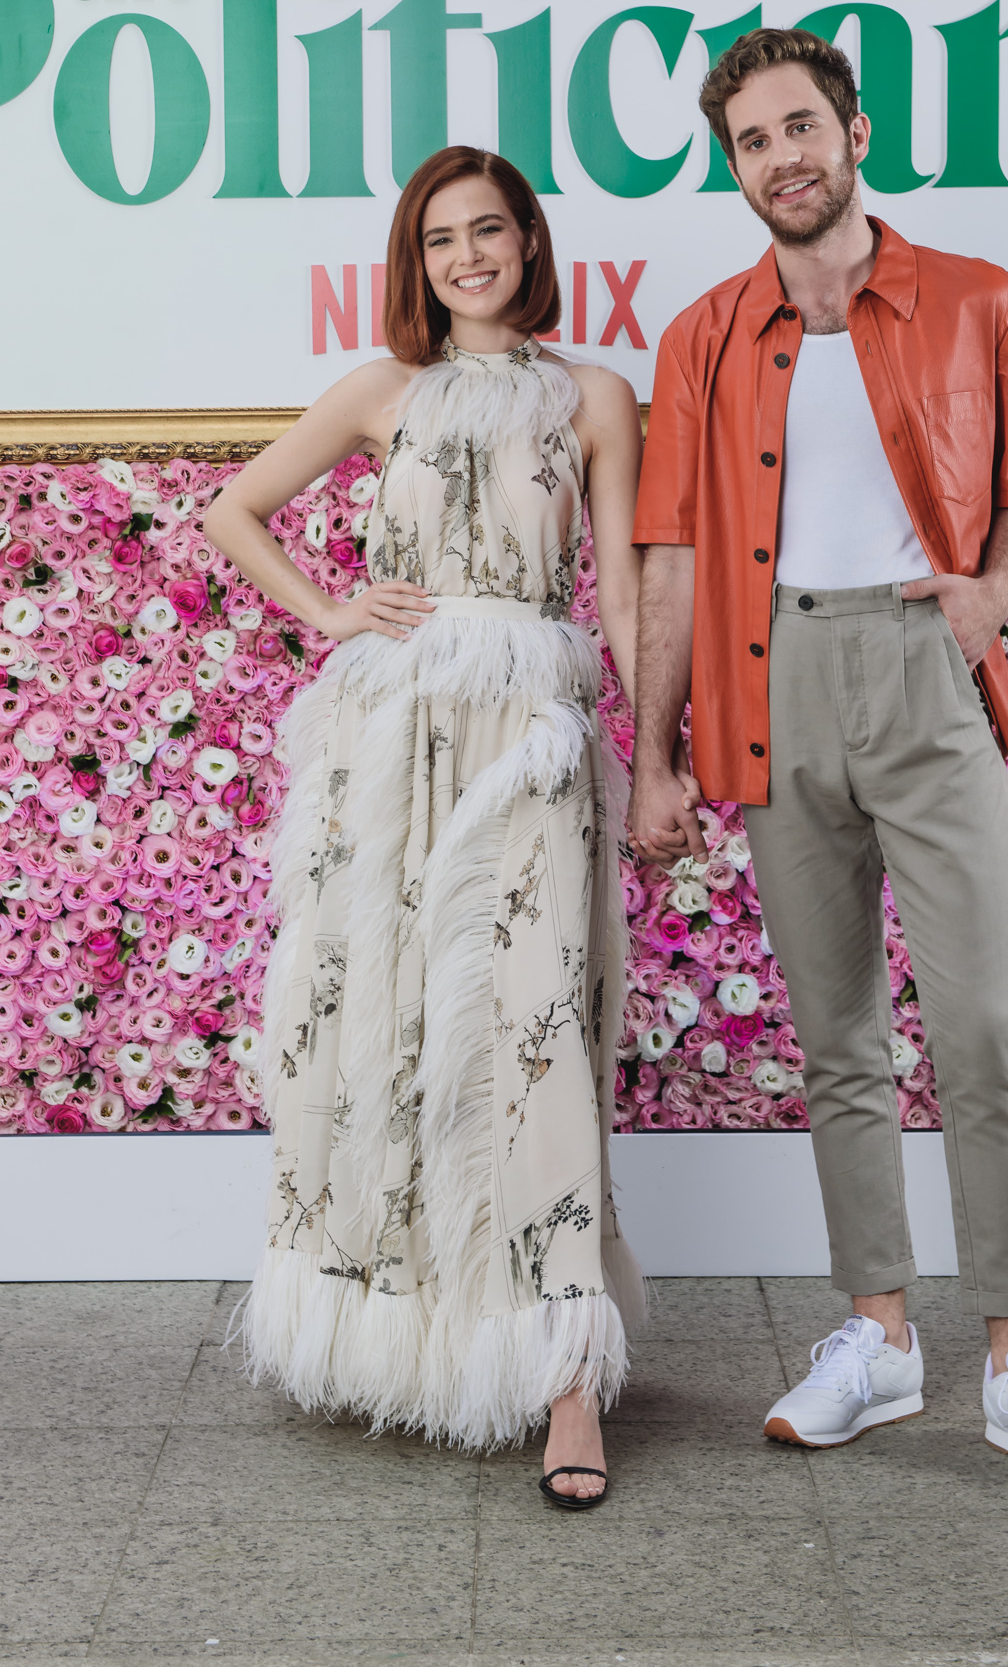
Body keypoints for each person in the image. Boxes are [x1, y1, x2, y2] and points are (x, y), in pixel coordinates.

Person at [626, 27, 1008, 1490]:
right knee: (838, 1038)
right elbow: (668, 558)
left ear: (852, 129)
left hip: (925, 676)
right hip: (768, 684)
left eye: (799, 127)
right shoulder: (704, 335)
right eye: (751, 143)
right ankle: (880, 1337)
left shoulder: (978, 301)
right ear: (735, 169)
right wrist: (653, 757)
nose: (781, 158)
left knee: (977, 1027)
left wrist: (986, 597)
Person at [206, 146, 649, 1507]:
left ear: (528, 241)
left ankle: (566, 1377)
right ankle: (407, 1340)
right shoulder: (379, 391)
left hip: (529, 735)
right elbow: (234, 510)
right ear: (418, 258)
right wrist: (337, 611)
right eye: (442, 237)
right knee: (385, 1023)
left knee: (533, 1026)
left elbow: (621, 590)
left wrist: (669, 754)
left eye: (491, 230)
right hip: (388, 744)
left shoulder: (591, 397)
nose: (468, 255)